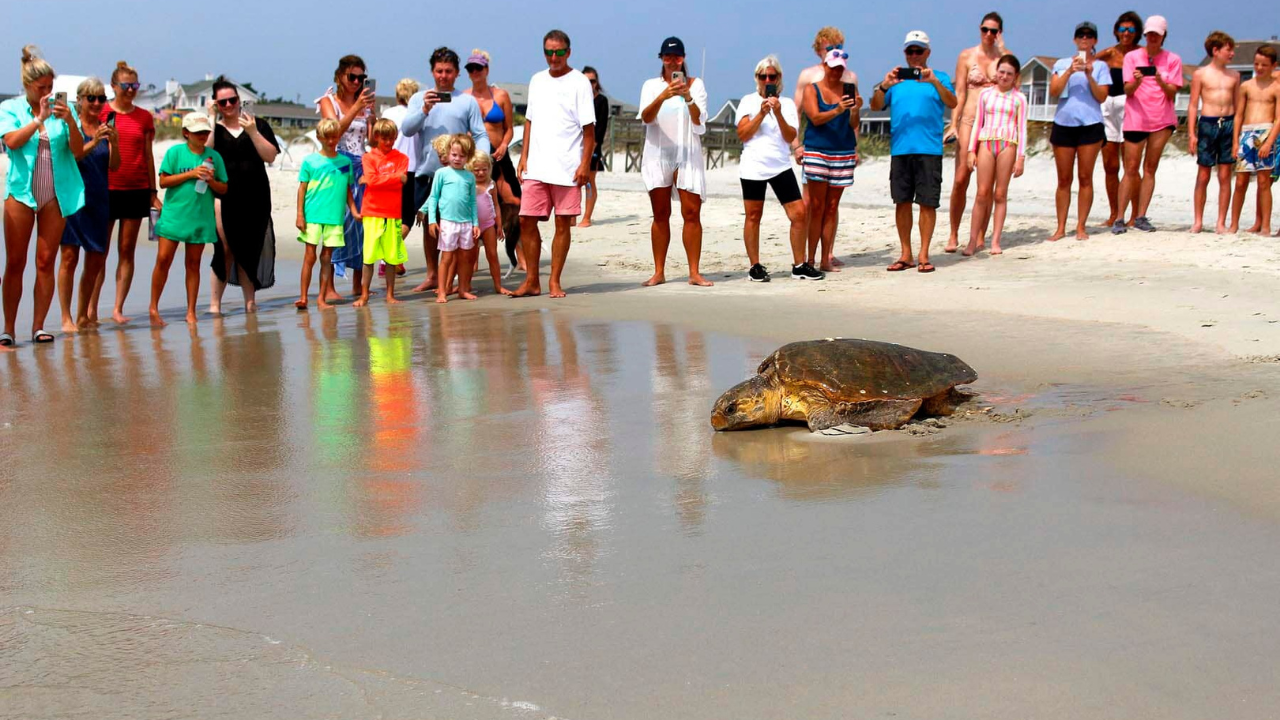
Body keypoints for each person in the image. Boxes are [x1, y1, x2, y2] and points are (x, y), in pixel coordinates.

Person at [0, 46, 86, 347]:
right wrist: (38, 119)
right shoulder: (11, 109)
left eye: (52, 87)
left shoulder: (67, 110)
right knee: (15, 262)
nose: (48, 92)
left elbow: (77, 152)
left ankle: (38, 326)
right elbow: (11, 142)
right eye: (42, 88)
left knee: (46, 260)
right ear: (27, 86)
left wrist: (70, 122)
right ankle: (8, 329)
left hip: (56, 193)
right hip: (22, 193)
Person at [513, 29, 596, 299]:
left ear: (568, 52)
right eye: (549, 51)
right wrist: (523, 157)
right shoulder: (537, 80)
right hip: (537, 164)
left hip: (567, 166)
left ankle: (555, 282)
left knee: (563, 224)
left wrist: (585, 164)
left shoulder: (580, 82)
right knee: (526, 220)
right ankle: (532, 280)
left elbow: (589, 130)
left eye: (559, 52)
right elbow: (529, 121)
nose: (554, 57)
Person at [402, 47, 490, 293]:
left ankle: (452, 280)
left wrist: (479, 159)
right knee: (430, 225)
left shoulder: (467, 101)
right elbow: (407, 129)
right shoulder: (419, 98)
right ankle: (432, 275)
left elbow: (481, 133)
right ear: (432, 71)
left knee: (455, 223)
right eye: (439, 71)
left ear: (456, 73)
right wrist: (424, 111)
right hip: (426, 171)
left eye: (448, 72)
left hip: (459, 174)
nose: (443, 76)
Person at [870, 30, 957, 274]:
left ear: (928, 53)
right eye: (910, 51)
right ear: (905, 53)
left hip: (929, 149)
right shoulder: (895, 81)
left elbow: (953, 102)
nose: (915, 56)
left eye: (919, 51)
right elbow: (875, 105)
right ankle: (906, 253)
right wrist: (884, 85)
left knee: (927, 203)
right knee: (902, 201)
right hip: (901, 149)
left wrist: (935, 82)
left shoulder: (939, 77)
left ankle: (924, 254)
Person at [637, 36, 712, 287]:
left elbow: (699, 120)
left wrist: (687, 97)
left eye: (676, 57)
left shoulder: (696, 85)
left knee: (691, 212)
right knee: (660, 213)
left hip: (687, 153)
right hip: (658, 153)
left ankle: (694, 272)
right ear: (661, 59)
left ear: (683, 58)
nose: (672, 61)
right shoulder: (651, 85)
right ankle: (659, 271)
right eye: (667, 57)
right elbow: (646, 118)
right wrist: (663, 95)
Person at [148, 113, 227, 326]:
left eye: (205, 131)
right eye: (197, 132)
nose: (202, 135)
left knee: (193, 264)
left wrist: (211, 181)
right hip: (174, 216)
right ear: (186, 133)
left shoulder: (214, 157)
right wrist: (191, 174)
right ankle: (153, 308)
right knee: (163, 260)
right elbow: (163, 181)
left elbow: (224, 187)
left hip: (200, 217)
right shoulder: (175, 153)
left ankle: (191, 311)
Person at [207, 78, 279, 315]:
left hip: (256, 197)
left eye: (232, 100)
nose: (228, 105)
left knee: (251, 248)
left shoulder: (257, 124)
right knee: (225, 248)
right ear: (216, 104)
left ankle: (250, 302)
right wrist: (209, 120)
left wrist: (253, 132)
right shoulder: (214, 129)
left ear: (239, 100)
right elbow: (204, 155)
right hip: (224, 196)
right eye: (223, 102)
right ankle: (215, 305)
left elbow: (270, 156)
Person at [736, 55, 810, 283]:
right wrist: (761, 112)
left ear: (779, 78)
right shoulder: (747, 101)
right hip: (753, 166)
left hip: (779, 165)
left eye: (772, 76)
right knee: (753, 216)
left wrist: (776, 112)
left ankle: (799, 265)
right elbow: (743, 134)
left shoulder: (786, 104)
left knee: (799, 213)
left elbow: (790, 136)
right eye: (763, 76)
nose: (767, 79)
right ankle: (754, 266)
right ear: (757, 78)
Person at [944, 12, 1011, 253]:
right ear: (980, 30)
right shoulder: (966, 56)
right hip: (969, 120)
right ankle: (953, 232)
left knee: (986, 184)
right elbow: (959, 92)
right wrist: (953, 123)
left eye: (994, 31)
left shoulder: (1004, 59)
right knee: (961, 178)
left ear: (1000, 33)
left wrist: (1004, 51)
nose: (989, 35)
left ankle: (981, 234)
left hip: (992, 124)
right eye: (985, 29)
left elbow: (1015, 84)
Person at [57, 77, 118, 333]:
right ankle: (66, 317)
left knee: (95, 261)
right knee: (69, 259)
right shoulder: (70, 124)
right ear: (79, 100)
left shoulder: (106, 128)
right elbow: (74, 155)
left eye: (101, 99)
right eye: (90, 98)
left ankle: (83, 315)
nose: (95, 103)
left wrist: (113, 140)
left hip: (99, 199)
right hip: (72, 199)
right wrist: (95, 141)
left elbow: (114, 166)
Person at [1112, 15, 1182, 234]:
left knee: (1150, 167)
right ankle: (1120, 218)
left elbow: (1173, 93)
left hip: (1162, 119)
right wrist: (1138, 80)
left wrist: (1160, 79)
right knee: (1130, 168)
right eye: (1149, 34)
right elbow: (1128, 90)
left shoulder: (1173, 59)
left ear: (1163, 37)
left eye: (1157, 35)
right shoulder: (1132, 57)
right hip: (1136, 117)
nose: (1152, 38)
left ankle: (1141, 215)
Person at [102, 59, 158, 325]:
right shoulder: (101, 112)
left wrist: (152, 191)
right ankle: (89, 309)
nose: (131, 90)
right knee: (98, 250)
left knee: (127, 250)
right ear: (114, 86)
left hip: (136, 188)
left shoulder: (144, 117)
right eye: (126, 85)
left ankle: (117, 308)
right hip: (105, 188)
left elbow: (148, 155)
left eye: (135, 85)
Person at [793, 26, 854, 268]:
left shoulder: (849, 78)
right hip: (815, 146)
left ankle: (827, 254)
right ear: (819, 49)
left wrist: (856, 145)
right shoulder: (808, 76)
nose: (834, 51)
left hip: (842, 148)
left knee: (831, 205)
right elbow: (796, 113)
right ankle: (809, 256)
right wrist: (796, 145)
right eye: (830, 48)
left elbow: (853, 119)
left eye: (839, 47)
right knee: (812, 204)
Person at [317, 54, 375, 295]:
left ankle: (358, 284)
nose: (357, 81)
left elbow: (371, 139)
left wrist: (372, 116)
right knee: (338, 222)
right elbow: (333, 132)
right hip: (337, 163)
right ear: (341, 76)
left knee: (362, 222)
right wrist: (357, 108)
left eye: (361, 77)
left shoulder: (365, 102)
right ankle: (328, 286)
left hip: (362, 163)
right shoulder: (328, 101)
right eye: (352, 76)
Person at [1047, 22, 1110, 242]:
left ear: (1095, 41)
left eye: (1089, 35)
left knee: (1085, 177)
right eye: (1081, 35)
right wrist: (1069, 71)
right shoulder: (1062, 63)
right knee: (1064, 179)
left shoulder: (1101, 66)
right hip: (1064, 124)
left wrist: (1090, 75)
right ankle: (1061, 227)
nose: (1085, 38)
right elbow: (1054, 91)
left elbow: (1102, 97)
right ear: (1075, 39)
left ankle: (1081, 226)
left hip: (1090, 125)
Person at [965, 54, 1027, 256]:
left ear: (1015, 76)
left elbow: (1022, 128)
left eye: (1009, 73)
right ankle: (973, 241)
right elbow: (977, 122)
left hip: (1008, 144)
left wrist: (1021, 157)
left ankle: (996, 241)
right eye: (1001, 72)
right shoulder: (985, 95)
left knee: (1000, 194)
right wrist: (971, 150)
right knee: (982, 193)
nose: (1004, 76)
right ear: (996, 72)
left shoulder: (1019, 98)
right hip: (986, 143)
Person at [295, 119, 360, 310]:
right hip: (313, 215)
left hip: (334, 217)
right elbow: (302, 188)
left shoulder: (345, 162)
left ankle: (321, 299)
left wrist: (354, 210)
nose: (331, 141)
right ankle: (303, 297)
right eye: (327, 137)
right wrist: (300, 214)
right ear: (319, 138)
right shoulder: (310, 161)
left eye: (334, 137)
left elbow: (347, 189)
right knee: (309, 256)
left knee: (327, 257)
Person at [1188, 32, 1240, 234]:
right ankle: (1198, 220)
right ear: (1215, 50)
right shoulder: (1201, 74)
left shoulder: (1234, 76)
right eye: (1228, 49)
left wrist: (1236, 139)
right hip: (1207, 123)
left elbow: (1237, 108)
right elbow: (1193, 105)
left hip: (1227, 123)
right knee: (1203, 174)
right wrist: (1192, 134)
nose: (1232, 53)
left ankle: (1220, 222)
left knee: (1225, 175)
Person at [355, 118, 410, 307]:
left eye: (392, 138)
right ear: (377, 137)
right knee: (368, 256)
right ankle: (364, 295)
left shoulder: (402, 158)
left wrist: (377, 179)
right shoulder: (368, 157)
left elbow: (402, 180)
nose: (389, 142)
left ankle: (390, 294)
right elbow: (372, 180)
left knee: (391, 257)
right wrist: (393, 177)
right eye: (385, 138)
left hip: (393, 213)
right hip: (371, 211)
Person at [1096, 12, 1143, 226]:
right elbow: (1088, 63)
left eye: (1131, 29)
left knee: (1131, 164)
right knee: (1110, 164)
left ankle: (1135, 214)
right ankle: (1115, 213)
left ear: (1137, 32)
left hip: (1130, 105)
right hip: (1108, 105)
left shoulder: (1141, 54)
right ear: (1116, 31)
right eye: (1123, 29)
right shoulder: (1108, 54)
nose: (1126, 33)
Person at [1230, 45, 1280, 235]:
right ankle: (1234, 224)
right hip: (1246, 133)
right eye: (1257, 63)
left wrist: (1269, 142)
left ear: (1273, 66)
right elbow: (1238, 115)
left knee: (1264, 182)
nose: (1259, 68)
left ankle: (1265, 226)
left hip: (1265, 131)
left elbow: (1278, 118)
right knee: (1240, 182)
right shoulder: (1246, 86)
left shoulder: (1276, 88)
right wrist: (1235, 142)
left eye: (1264, 65)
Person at [423, 133, 479, 303]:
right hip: (447, 222)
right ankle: (441, 291)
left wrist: (475, 223)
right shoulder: (441, 173)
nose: (457, 159)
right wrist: (432, 220)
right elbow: (433, 198)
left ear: (468, 158)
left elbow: (472, 202)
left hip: (466, 223)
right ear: (448, 153)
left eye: (462, 156)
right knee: (446, 258)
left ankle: (462, 289)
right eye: (454, 155)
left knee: (464, 258)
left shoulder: (469, 176)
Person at [463, 51, 518, 205]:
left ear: (486, 70)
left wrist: (504, 145)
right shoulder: (464, 97)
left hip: (498, 155)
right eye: (470, 68)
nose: (475, 72)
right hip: (473, 156)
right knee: (476, 200)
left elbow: (509, 129)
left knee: (511, 198)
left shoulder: (501, 95)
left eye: (478, 68)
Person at [381, 78, 419, 263]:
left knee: (390, 215)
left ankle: (392, 258)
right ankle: (388, 254)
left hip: (388, 167)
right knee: (407, 217)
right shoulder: (418, 114)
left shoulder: (388, 112)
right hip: (411, 168)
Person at [469, 150, 510, 295]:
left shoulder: (491, 184)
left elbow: (496, 205)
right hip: (472, 225)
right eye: (476, 170)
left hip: (488, 225)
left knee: (492, 254)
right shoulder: (469, 184)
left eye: (484, 169)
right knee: (470, 256)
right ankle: (465, 285)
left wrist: (499, 225)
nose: (480, 173)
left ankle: (498, 285)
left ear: (489, 168)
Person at [578, 66, 610, 228]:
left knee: (589, 181)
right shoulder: (576, 98)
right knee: (574, 182)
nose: (590, 84)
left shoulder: (601, 101)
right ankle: (571, 215)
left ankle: (587, 217)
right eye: (586, 81)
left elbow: (600, 128)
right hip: (575, 147)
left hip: (593, 147)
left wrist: (590, 150)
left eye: (592, 81)